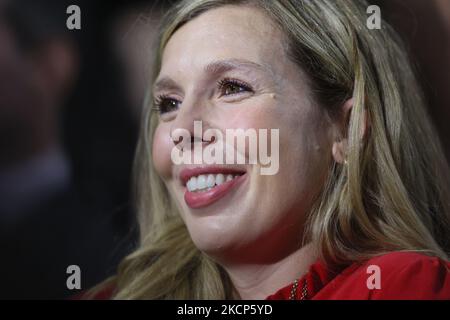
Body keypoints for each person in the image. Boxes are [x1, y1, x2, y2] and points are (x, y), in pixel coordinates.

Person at [90, 0, 450, 299]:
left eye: (232, 87)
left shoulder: (405, 286)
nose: (183, 130)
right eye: (169, 104)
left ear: (346, 130)